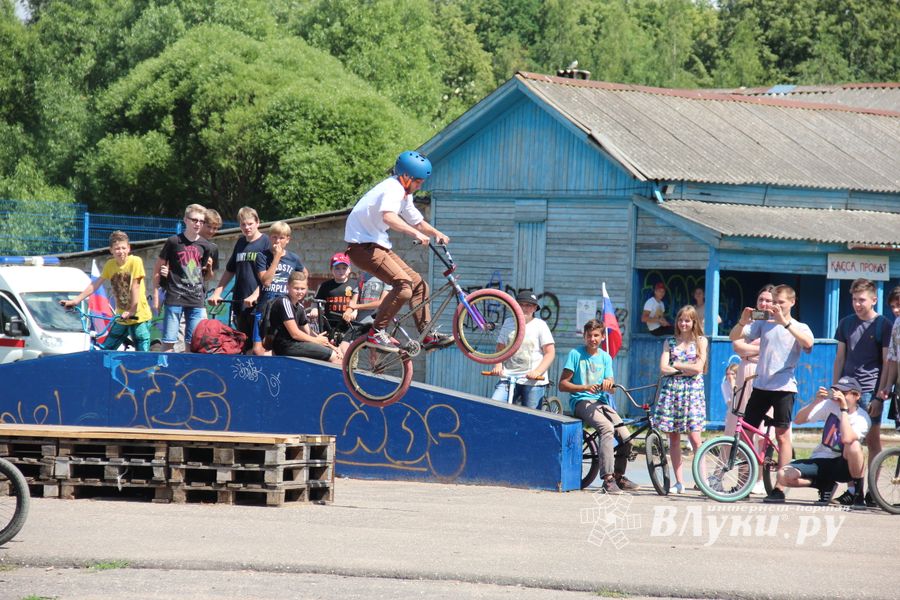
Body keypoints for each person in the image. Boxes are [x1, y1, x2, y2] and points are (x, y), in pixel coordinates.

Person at [344, 150, 453, 350]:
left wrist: (436, 232)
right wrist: (415, 234)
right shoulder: (392, 189)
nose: (420, 185)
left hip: (378, 246)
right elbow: (388, 217)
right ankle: (376, 332)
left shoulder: (404, 193)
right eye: (418, 181)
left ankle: (427, 336)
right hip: (362, 247)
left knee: (419, 285)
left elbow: (417, 220)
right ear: (405, 177)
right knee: (403, 286)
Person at [729, 284, 814, 504]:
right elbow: (734, 337)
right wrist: (743, 320)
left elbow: (808, 344)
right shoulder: (764, 324)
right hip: (761, 386)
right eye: (774, 302)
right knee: (746, 435)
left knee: (782, 436)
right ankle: (743, 483)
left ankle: (779, 487)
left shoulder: (799, 326)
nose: (775, 306)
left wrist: (784, 322)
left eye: (781, 303)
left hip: (784, 388)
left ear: (792, 303)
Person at [559, 319, 638, 494]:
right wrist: (585, 387)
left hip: (601, 402)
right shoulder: (575, 354)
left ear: (602, 337)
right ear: (584, 337)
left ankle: (618, 476)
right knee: (606, 428)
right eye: (589, 335)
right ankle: (608, 480)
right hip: (581, 402)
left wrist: (609, 385)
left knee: (627, 437)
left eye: (596, 335)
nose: (592, 339)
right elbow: (562, 385)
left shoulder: (605, 357)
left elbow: (611, 383)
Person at [831, 278, 891, 506]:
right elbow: (840, 358)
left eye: (862, 300)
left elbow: (886, 362)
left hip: (868, 390)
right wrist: (835, 387)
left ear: (874, 299)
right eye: (854, 299)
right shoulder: (846, 323)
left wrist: (879, 395)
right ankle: (854, 489)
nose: (857, 304)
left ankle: (873, 492)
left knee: (872, 440)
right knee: (847, 440)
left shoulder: (882, 325)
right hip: (847, 391)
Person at [769, 376, 870, 507]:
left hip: (842, 467)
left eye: (844, 393)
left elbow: (846, 439)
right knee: (783, 475)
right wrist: (816, 402)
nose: (838, 396)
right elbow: (798, 420)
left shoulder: (862, 417)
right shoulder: (830, 405)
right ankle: (823, 484)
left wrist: (844, 410)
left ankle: (858, 495)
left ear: (857, 396)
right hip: (821, 460)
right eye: (836, 391)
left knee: (854, 446)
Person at [60, 231, 152, 351]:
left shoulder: (135, 262)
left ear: (129, 248)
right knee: (106, 350)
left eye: (123, 248)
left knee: (142, 353)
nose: (121, 251)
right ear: (111, 250)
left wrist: (132, 311)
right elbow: (95, 285)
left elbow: (136, 286)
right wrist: (76, 300)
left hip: (138, 317)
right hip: (122, 318)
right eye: (117, 248)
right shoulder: (110, 265)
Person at [653, 305, 708, 494]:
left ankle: (702, 480)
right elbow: (663, 368)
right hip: (672, 392)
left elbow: (699, 368)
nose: (683, 323)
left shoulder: (701, 341)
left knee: (695, 437)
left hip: (692, 392)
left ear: (694, 322)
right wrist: (685, 368)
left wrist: (675, 364)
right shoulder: (669, 341)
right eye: (681, 320)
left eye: (687, 320)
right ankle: (679, 482)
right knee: (674, 437)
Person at [152, 204, 215, 352]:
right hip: (175, 297)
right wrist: (156, 297)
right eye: (194, 220)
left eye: (201, 221)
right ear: (185, 220)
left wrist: (210, 269)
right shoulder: (173, 241)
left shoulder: (206, 245)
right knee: (168, 341)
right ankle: (164, 371)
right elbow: (157, 269)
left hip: (196, 299)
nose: (198, 224)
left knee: (192, 343)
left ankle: (187, 373)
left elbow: (206, 276)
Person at [208, 207, 271, 352]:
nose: (247, 227)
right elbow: (230, 270)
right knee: (243, 344)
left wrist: (256, 294)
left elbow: (269, 274)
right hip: (241, 302)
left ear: (258, 223)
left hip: (259, 303)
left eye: (250, 223)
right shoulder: (241, 243)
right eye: (243, 224)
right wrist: (218, 293)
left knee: (259, 347)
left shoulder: (265, 242)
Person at [249, 221, 308, 356]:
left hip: (283, 308)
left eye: (281, 238)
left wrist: (299, 292)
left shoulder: (293, 258)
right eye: (274, 237)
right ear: (269, 237)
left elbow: (304, 273)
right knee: (258, 350)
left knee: (277, 348)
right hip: (265, 307)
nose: (277, 241)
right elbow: (266, 282)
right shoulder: (262, 256)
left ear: (288, 239)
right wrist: (276, 257)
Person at [489, 291, 556, 409]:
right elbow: (500, 348)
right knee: (494, 406)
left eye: (529, 305)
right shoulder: (508, 322)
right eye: (521, 305)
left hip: (532, 381)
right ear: (515, 306)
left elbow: (550, 353)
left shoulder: (540, 325)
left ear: (535, 308)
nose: (524, 308)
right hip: (508, 377)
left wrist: (537, 372)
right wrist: (498, 365)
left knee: (531, 417)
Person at [269, 271, 341, 364]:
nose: (299, 292)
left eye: (302, 289)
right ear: (288, 287)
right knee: (335, 357)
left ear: (307, 288)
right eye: (296, 288)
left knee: (337, 354)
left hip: (296, 344)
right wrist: (317, 341)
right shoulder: (284, 302)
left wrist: (333, 347)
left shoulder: (300, 307)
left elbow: (309, 332)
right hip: (286, 346)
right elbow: (295, 333)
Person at [313, 252, 358, 344]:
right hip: (329, 326)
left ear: (349, 270)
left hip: (349, 326)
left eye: (344, 268)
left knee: (348, 354)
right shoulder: (325, 286)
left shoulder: (355, 284)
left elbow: (358, 302)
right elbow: (316, 301)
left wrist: (355, 311)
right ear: (331, 270)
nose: (341, 271)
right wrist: (314, 309)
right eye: (337, 268)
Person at [876, 286, 900, 443]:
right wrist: (888, 385)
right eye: (892, 306)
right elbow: (892, 358)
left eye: (899, 305)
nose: (896, 310)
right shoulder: (897, 324)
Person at [199, 208, 222, 289]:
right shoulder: (185, 242)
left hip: (198, 295)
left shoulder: (213, 248)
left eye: (215, 228)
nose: (211, 231)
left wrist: (209, 268)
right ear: (201, 223)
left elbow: (207, 278)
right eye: (209, 226)